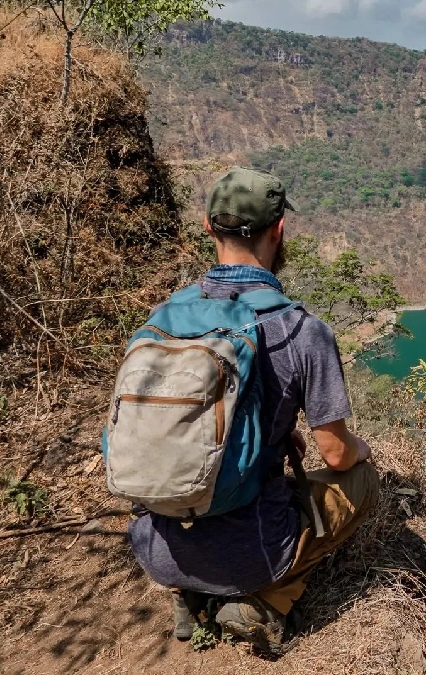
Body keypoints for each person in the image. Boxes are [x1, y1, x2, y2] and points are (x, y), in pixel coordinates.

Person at [125, 167, 380, 652]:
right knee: (364, 480)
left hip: (157, 548)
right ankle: (260, 602)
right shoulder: (301, 331)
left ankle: (188, 588)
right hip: (256, 554)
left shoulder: (162, 319)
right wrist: (359, 450)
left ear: (207, 226)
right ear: (279, 231)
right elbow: (337, 457)